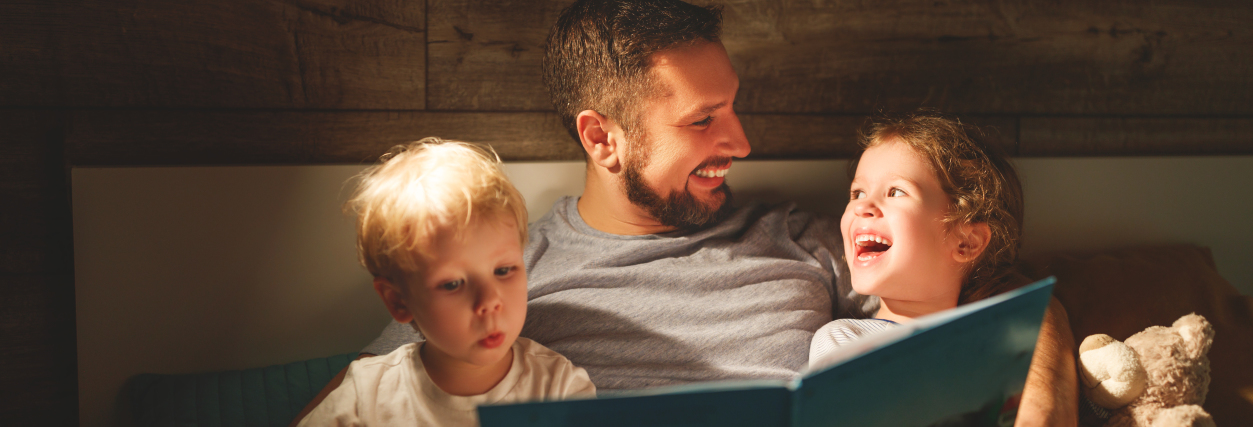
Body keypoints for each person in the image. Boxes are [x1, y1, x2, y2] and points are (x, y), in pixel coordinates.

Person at [298, 0, 1076, 424]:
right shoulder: (502, 271)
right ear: (604, 138)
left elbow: (1015, 305)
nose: (740, 140)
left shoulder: (802, 240)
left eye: (732, 108)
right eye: (703, 120)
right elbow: (366, 390)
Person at [296, 139, 595, 427]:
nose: (490, 300)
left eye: (503, 270)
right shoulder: (367, 396)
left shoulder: (559, 388)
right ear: (398, 302)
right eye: (453, 284)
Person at [809, 113, 1078, 424]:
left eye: (896, 191)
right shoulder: (843, 342)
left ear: (966, 242)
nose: (861, 207)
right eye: (857, 193)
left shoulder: (1001, 349)